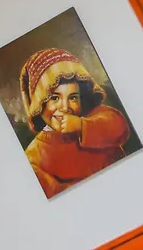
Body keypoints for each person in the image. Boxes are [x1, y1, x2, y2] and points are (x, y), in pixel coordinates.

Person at [20, 48, 129, 198]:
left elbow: (119, 128)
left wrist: (81, 125)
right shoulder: (34, 156)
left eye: (72, 98)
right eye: (54, 98)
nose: (65, 107)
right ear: (38, 104)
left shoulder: (95, 116)